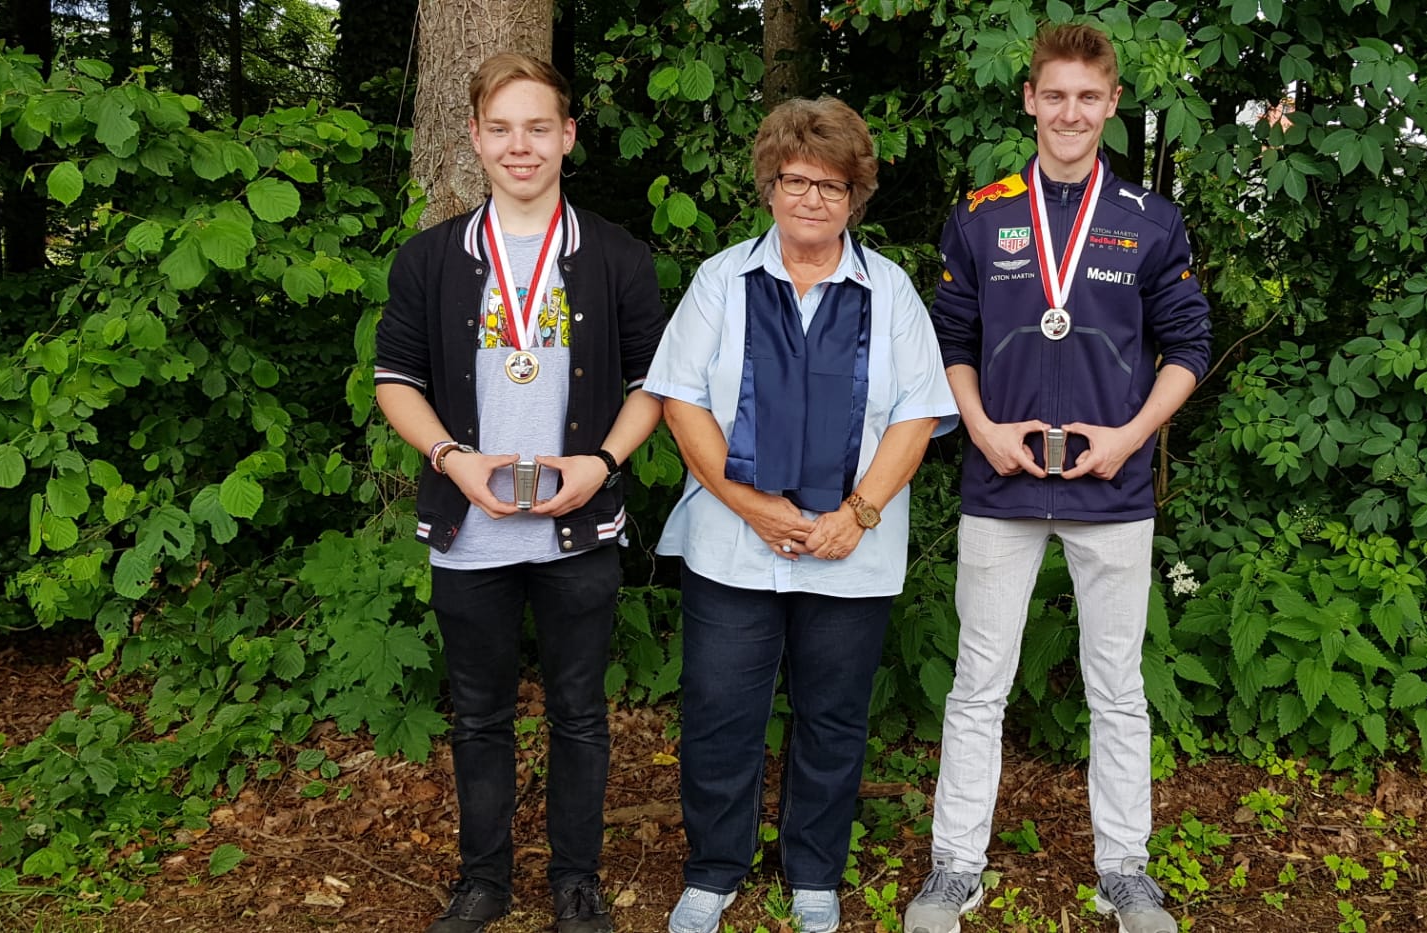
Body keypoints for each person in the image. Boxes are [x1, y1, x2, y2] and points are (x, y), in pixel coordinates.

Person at [903, 22, 1211, 933]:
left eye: (1089, 96)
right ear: (1029, 99)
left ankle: (1127, 869)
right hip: (1001, 481)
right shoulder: (983, 210)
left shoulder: (1150, 221)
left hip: (1110, 489)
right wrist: (981, 426)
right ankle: (955, 867)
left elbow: (1187, 349)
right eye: (1055, 94)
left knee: (1116, 687)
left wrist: (1129, 439)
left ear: (1113, 104)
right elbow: (948, 340)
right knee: (976, 682)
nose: (1070, 112)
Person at [642, 97, 959, 933]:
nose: (812, 198)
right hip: (733, 546)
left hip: (851, 551)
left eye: (832, 185)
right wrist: (750, 506)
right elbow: (679, 403)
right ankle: (713, 869)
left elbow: (916, 417)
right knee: (719, 713)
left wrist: (857, 513)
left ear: (856, 196)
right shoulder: (721, 281)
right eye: (796, 181)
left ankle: (814, 870)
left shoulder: (888, 291)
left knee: (832, 717)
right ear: (770, 185)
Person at [373, 52, 666, 933]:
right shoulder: (431, 258)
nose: (521, 146)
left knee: (580, 715)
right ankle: (484, 881)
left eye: (539, 127)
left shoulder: (615, 254)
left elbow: (656, 384)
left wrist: (603, 465)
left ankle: (576, 882)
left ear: (568, 135)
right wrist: (452, 459)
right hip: (471, 529)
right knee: (480, 716)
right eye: (501, 128)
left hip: (580, 526)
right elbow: (395, 379)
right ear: (473, 137)